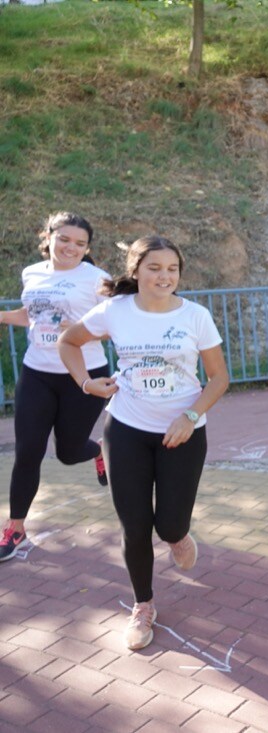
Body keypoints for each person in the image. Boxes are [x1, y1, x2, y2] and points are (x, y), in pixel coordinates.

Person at [58, 236, 229, 651]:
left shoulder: (195, 316)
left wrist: (190, 417)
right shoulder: (115, 311)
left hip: (182, 432)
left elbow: (219, 378)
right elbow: (69, 342)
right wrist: (86, 383)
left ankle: (179, 536)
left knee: (169, 524)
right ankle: (143, 605)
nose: (164, 276)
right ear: (136, 271)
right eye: (154, 268)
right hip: (127, 428)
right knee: (135, 528)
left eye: (172, 269)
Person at [0, 213, 111, 563]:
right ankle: (15, 527)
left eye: (80, 244)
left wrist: (79, 328)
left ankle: (96, 451)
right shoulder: (32, 273)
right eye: (64, 239)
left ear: (87, 248)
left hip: (83, 374)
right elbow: (31, 315)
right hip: (38, 373)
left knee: (67, 451)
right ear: (47, 237)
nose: (70, 248)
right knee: (28, 452)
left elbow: (112, 326)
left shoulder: (97, 279)